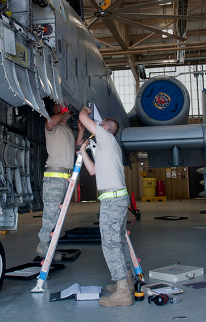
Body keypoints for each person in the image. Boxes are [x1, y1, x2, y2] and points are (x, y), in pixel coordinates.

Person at [78, 106, 134, 307]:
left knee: (110, 244)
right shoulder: (106, 148)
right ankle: (127, 282)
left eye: (99, 125)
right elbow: (92, 171)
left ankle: (122, 292)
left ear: (105, 128)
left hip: (112, 200)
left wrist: (84, 109)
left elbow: (83, 117)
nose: (97, 127)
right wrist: (84, 151)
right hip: (116, 198)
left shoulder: (107, 138)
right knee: (118, 242)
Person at [36, 103, 84, 261]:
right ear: (57, 111)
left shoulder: (66, 129)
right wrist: (63, 115)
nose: (67, 110)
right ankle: (43, 243)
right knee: (51, 213)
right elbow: (49, 123)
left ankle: (50, 247)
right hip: (55, 176)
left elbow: (76, 146)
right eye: (63, 108)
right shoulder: (53, 126)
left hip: (65, 178)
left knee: (58, 216)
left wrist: (81, 130)